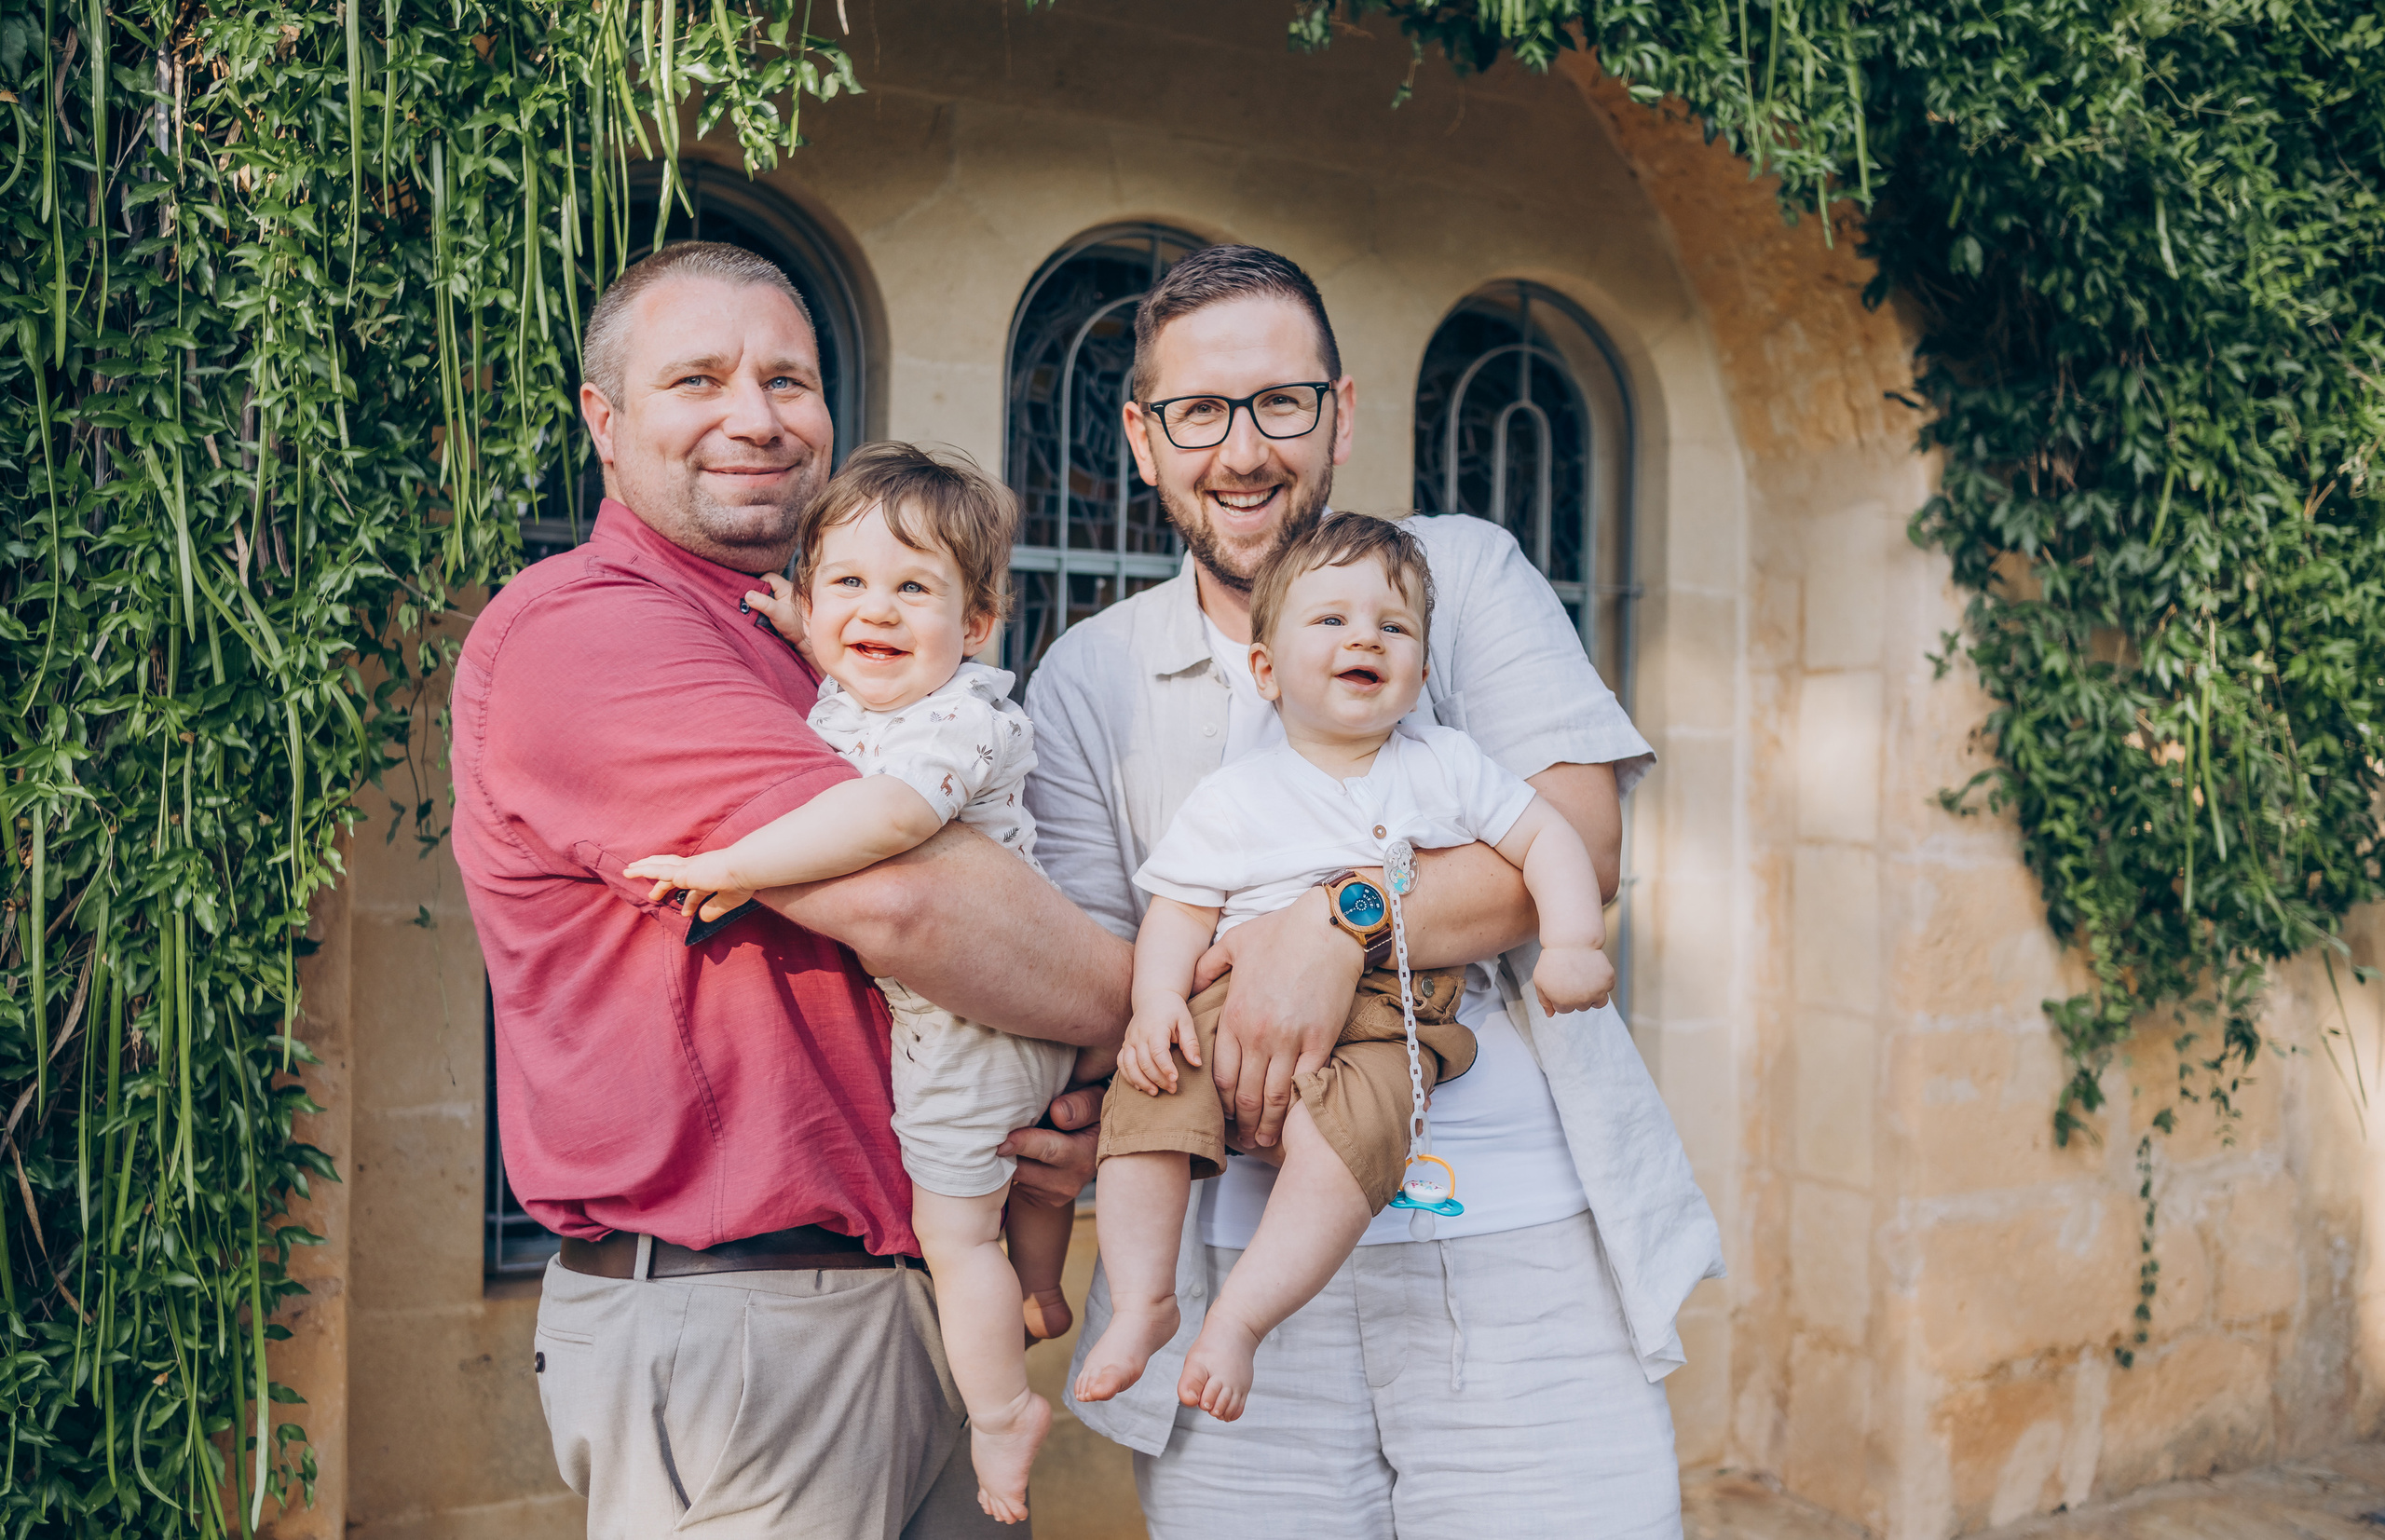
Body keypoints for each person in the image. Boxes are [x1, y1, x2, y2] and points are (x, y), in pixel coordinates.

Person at [1025, 243, 1724, 1534]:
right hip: (1237, 1264)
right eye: (1198, 412)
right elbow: (1104, 968)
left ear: (1341, 411)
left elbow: (1582, 843)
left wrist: (1338, 922)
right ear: (1141, 437)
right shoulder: (1090, 675)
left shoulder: (1459, 576)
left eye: (1280, 403)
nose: (1242, 451)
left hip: (1520, 1258)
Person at [449, 241, 1129, 1540]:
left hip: (901, 1296)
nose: (754, 416)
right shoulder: (588, 630)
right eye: (697, 378)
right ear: (605, 420)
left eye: (788, 379)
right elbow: (910, 903)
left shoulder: (816, 642)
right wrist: (1144, 1010)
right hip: (745, 1326)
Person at [1074, 513, 1616, 1424]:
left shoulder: (1446, 767)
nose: (1365, 635)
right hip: (1233, 1000)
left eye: (1393, 627)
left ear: (1421, 673)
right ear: (1265, 670)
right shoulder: (1234, 794)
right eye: (1329, 621)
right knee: (1147, 1100)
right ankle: (1143, 1299)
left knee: (1349, 1140)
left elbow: (1552, 842)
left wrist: (1570, 944)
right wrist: (1157, 1001)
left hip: (1391, 1009)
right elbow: (1180, 909)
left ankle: (1241, 1318)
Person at [621, 443, 1073, 1525]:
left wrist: (735, 866)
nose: (877, 611)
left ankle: (1005, 1413)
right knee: (1025, 1181)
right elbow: (851, 680)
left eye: (914, 589)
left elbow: (887, 821)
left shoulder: (962, 719)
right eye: (847, 587)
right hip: (974, 1016)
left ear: (975, 626)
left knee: (955, 1234)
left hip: (976, 1023)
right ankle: (1047, 1279)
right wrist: (801, 628)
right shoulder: (869, 690)